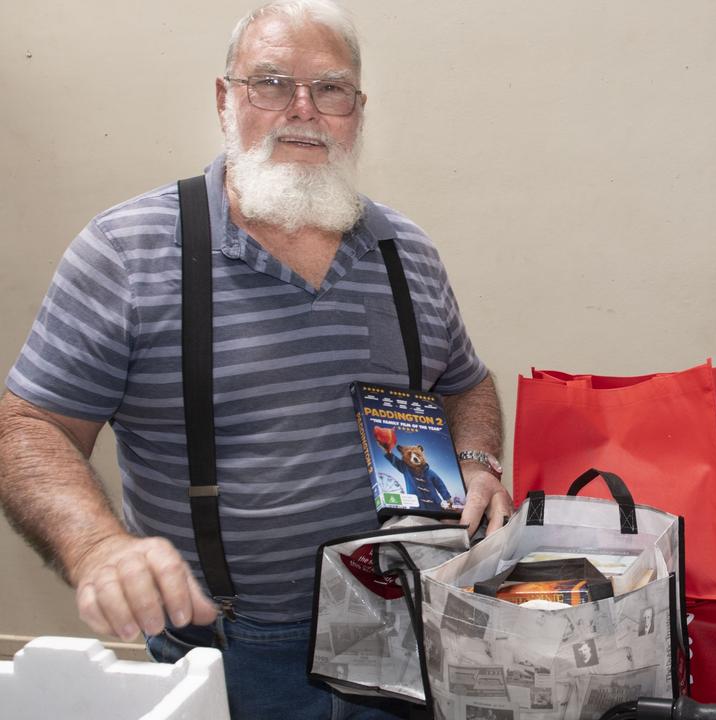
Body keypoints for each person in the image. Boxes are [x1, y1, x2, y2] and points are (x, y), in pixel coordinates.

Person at [0, 1, 513, 718]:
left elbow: (465, 384)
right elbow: (28, 426)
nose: (302, 110)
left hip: (409, 622)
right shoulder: (128, 252)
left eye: (330, 89)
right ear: (224, 98)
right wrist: (96, 547)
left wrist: (480, 461)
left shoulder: (407, 252)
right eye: (269, 83)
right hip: (233, 654)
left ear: (357, 109)